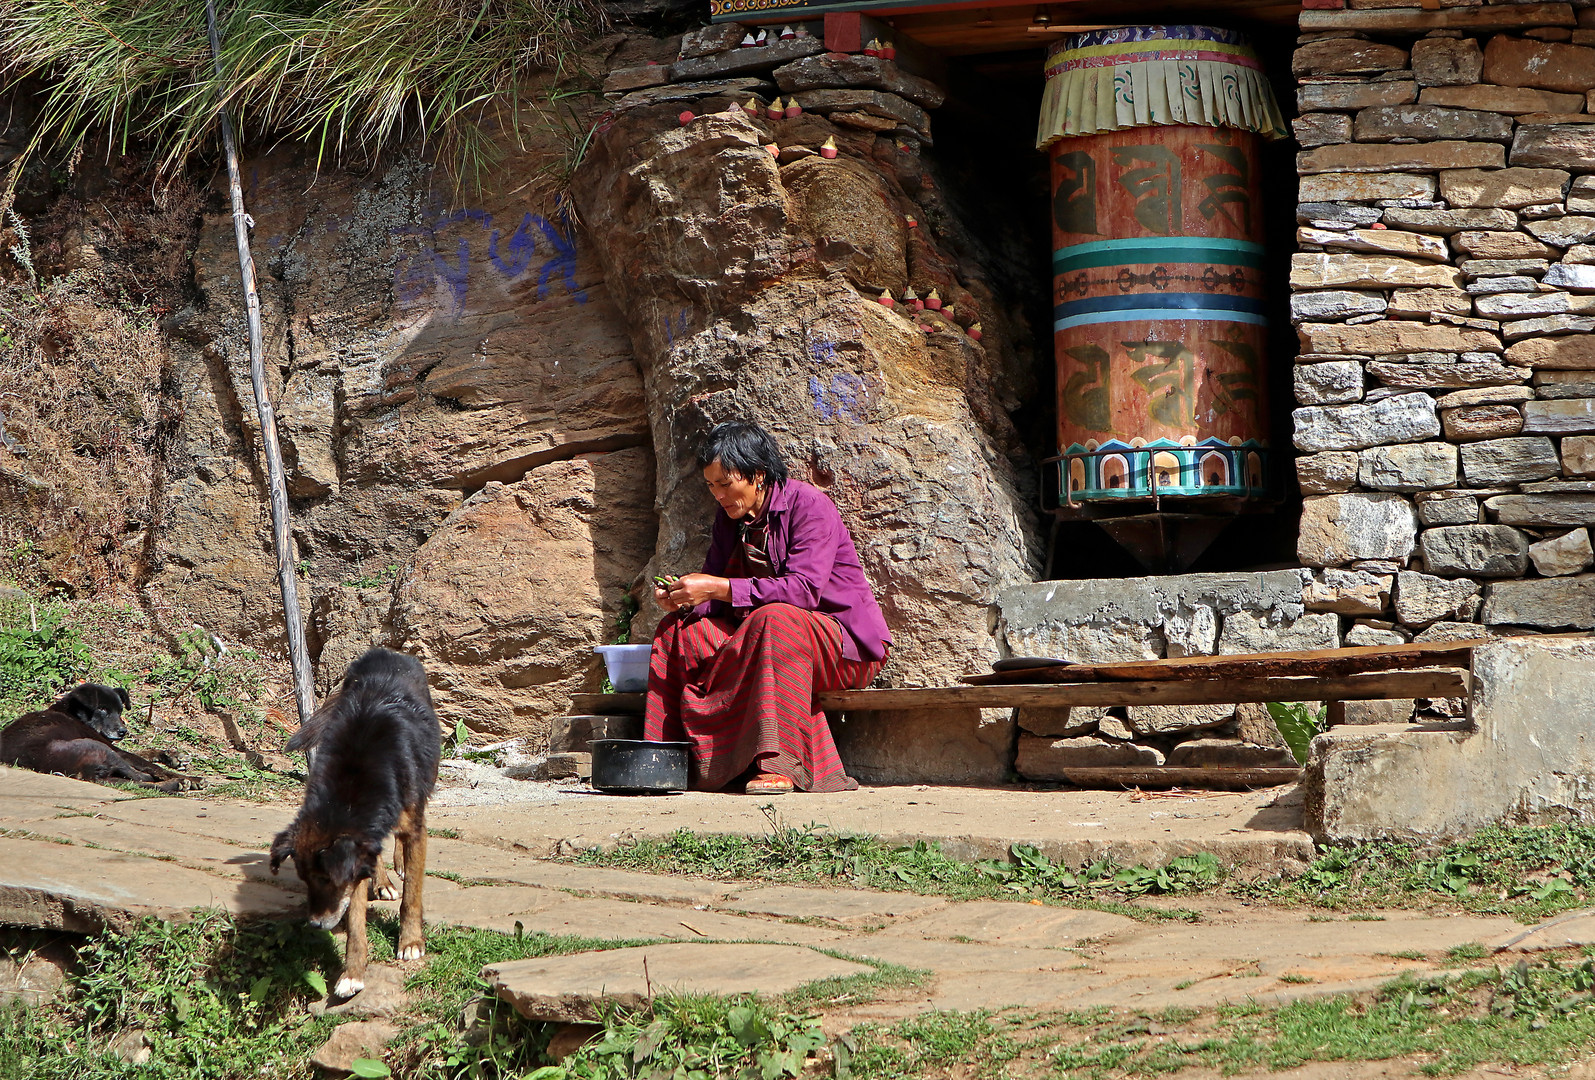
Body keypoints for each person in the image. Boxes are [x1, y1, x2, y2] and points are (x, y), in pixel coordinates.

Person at [644, 420, 891, 794]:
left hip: (843, 649)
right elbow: (716, 595)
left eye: (725, 484)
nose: (719, 495)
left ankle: (780, 764)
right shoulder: (730, 520)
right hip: (766, 637)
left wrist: (719, 587)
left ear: (757, 474)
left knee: (774, 619)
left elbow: (804, 591)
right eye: (711, 486)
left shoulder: (809, 505)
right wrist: (684, 600)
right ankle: (671, 758)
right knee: (680, 631)